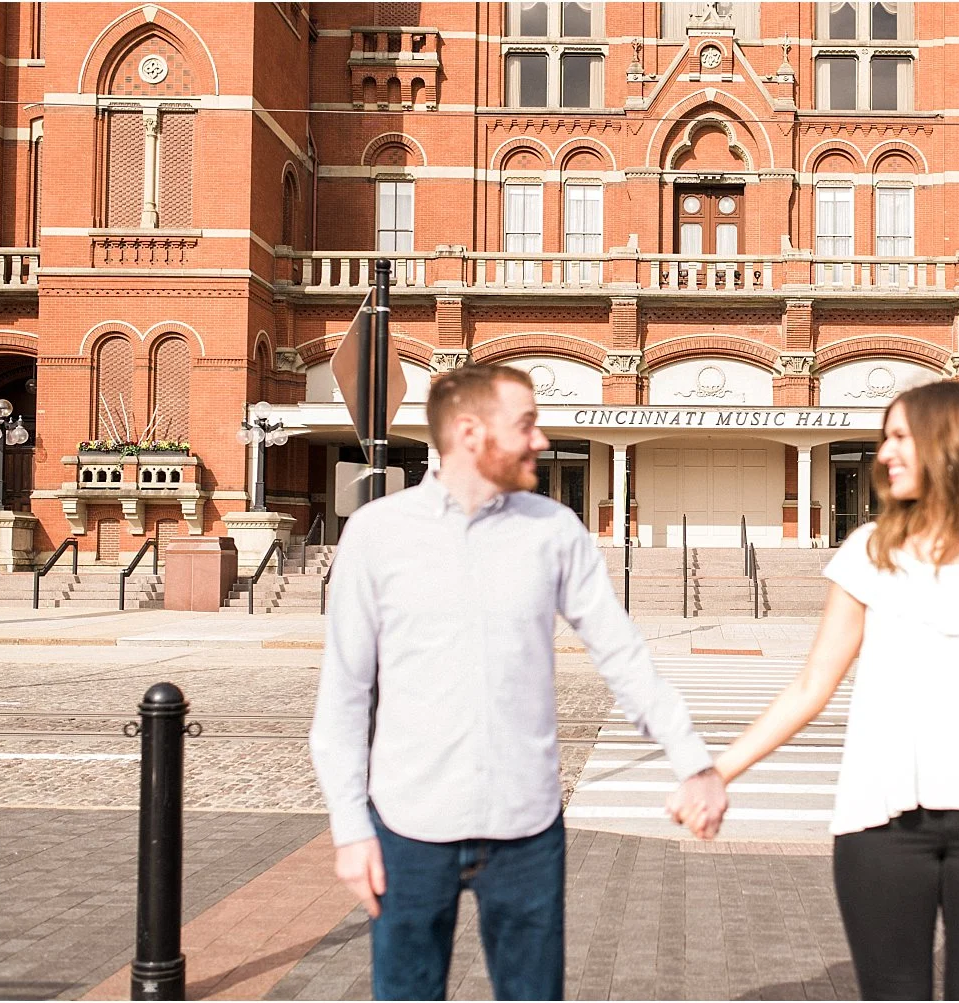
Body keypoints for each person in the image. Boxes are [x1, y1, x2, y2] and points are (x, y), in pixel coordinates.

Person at [310, 364, 727, 1001]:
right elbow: (342, 696)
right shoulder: (376, 534)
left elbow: (622, 654)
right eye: (526, 424)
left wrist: (693, 762)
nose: (541, 440)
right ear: (471, 431)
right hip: (407, 827)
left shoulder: (554, 531)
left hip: (527, 831)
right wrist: (350, 827)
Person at [674, 381, 959, 1000]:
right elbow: (813, 684)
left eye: (899, 438)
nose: (883, 454)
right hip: (880, 831)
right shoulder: (869, 552)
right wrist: (716, 773)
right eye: (882, 439)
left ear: (948, 444)